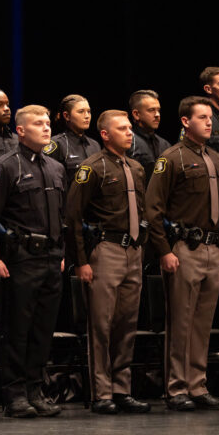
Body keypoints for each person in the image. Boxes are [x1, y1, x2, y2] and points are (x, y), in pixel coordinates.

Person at [145, 96, 219, 411]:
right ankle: (177, 388)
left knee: (202, 323)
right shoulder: (172, 158)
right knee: (180, 321)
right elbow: (153, 209)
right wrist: (164, 250)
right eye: (202, 117)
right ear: (185, 121)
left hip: (212, 249)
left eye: (211, 117)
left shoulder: (218, 159)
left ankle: (198, 385)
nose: (210, 122)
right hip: (184, 248)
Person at [66, 110, 150, 414]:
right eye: (122, 128)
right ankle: (101, 392)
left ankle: (121, 388)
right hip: (106, 250)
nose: (130, 133)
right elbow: (73, 217)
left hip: (133, 252)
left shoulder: (137, 168)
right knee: (101, 325)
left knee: (127, 324)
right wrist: (81, 261)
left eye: (130, 128)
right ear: (105, 134)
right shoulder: (92, 167)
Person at [0, 105, 67, 418]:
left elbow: (61, 217)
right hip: (21, 259)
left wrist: (61, 254)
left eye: (48, 123)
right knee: (17, 329)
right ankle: (15, 394)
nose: (46, 128)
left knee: (43, 330)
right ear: (21, 130)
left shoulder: (55, 167)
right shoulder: (5, 166)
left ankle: (36, 390)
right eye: (38, 123)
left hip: (50, 258)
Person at [44, 94, 101, 181]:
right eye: (81, 111)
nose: (87, 116)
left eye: (88, 111)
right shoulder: (56, 144)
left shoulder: (95, 145)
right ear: (67, 116)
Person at [127, 90, 172, 188]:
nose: (157, 115)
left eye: (158, 110)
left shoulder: (165, 144)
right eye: (151, 110)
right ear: (136, 114)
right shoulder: (128, 142)